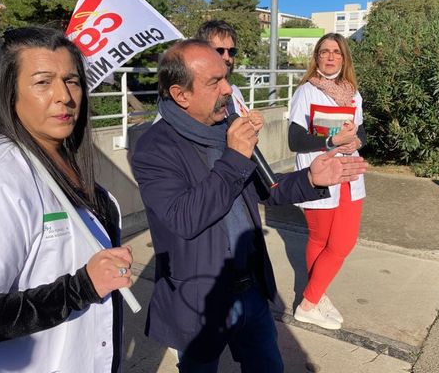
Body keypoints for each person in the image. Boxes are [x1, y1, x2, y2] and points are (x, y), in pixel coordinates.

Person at [131, 39, 367, 372]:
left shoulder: (226, 127)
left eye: (226, 77)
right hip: (200, 301)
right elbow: (185, 218)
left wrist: (311, 179)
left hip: (251, 290)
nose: (228, 89)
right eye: (215, 82)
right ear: (180, 94)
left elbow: (265, 188)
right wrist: (234, 157)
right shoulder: (155, 148)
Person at [0, 27, 133, 373]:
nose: (64, 96)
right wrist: (80, 287)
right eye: (42, 82)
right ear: (10, 93)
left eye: (72, 80)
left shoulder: (67, 164)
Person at [288, 33, 367, 330]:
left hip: (349, 173)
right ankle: (311, 303)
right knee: (322, 241)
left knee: (342, 242)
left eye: (336, 52)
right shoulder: (306, 91)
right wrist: (333, 140)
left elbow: (363, 133)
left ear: (344, 57)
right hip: (320, 173)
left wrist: (354, 140)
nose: (330, 57)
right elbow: (294, 140)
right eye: (324, 52)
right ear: (317, 58)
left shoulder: (353, 93)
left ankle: (313, 296)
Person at [195, 20, 249, 116]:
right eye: (219, 51)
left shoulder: (234, 92)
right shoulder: (191, 98)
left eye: (231, 51)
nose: (227, 58)